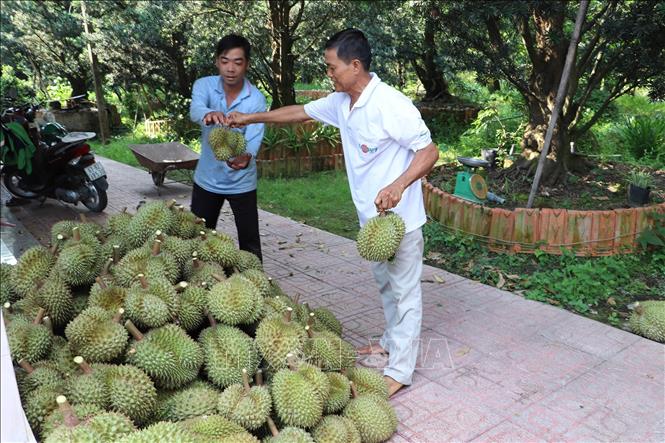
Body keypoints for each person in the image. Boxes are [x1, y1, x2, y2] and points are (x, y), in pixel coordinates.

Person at [227, 28, 439, 397]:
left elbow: (429, 152)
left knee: (405, 292)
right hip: (371, 221)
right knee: (386, 285)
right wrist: (249, 119)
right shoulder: (343, 103)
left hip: (400, 219)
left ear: (355, 66)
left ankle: (400, 370)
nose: (329, 73)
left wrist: (398, 185)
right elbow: (298, 113)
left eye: (332, 67)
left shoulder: (391, 105)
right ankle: (390, 342)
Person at [189, 34, 266, 261]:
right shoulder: (204, 85)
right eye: (225, 61)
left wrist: (246, 156)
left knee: (250, 243)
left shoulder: (256, 99)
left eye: (237, 62)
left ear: (247, 65)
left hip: (241, 182)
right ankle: (198, 283)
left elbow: (254, 135)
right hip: (207, 180)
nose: (230, 68)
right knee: (198, 238)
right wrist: (208, 113)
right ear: (217, 62)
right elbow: (195, 109)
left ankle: (256, 286)